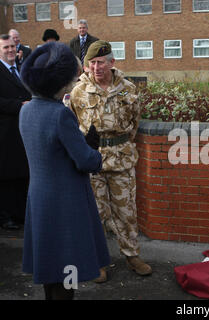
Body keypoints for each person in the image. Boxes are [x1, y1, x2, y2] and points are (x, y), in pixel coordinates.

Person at [19, 41, 110, 300]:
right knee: (67, 273)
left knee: (50, 267)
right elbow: (87, 162)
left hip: (39, 198)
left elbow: (50, 152)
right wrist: (92, 149)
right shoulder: (60, 114)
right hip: (65, 201)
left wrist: (79, 145)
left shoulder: (26, 110)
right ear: (59, 81)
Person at [69, 40, 152, 282]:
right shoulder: (77, 92)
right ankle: (97, 261)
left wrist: (121, 145)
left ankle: (132, 255)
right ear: (86, 66)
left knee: (126, 211)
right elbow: (71, 125)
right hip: (91, 161)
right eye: (92, 63)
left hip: (122, 159)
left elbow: (134, 123)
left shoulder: (128, 89)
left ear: (112, 63)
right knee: (95, 213)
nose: (96, 68)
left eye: (101, 63)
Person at [0, 34, 31, 230]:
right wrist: (19, 105)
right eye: (6, 48)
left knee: (21, 173)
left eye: (12, 46)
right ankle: (5, 217)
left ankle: (19, 214)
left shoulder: (20, 68)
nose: (10, 50)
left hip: (21, 131)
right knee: (6, 176)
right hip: (4, 132)